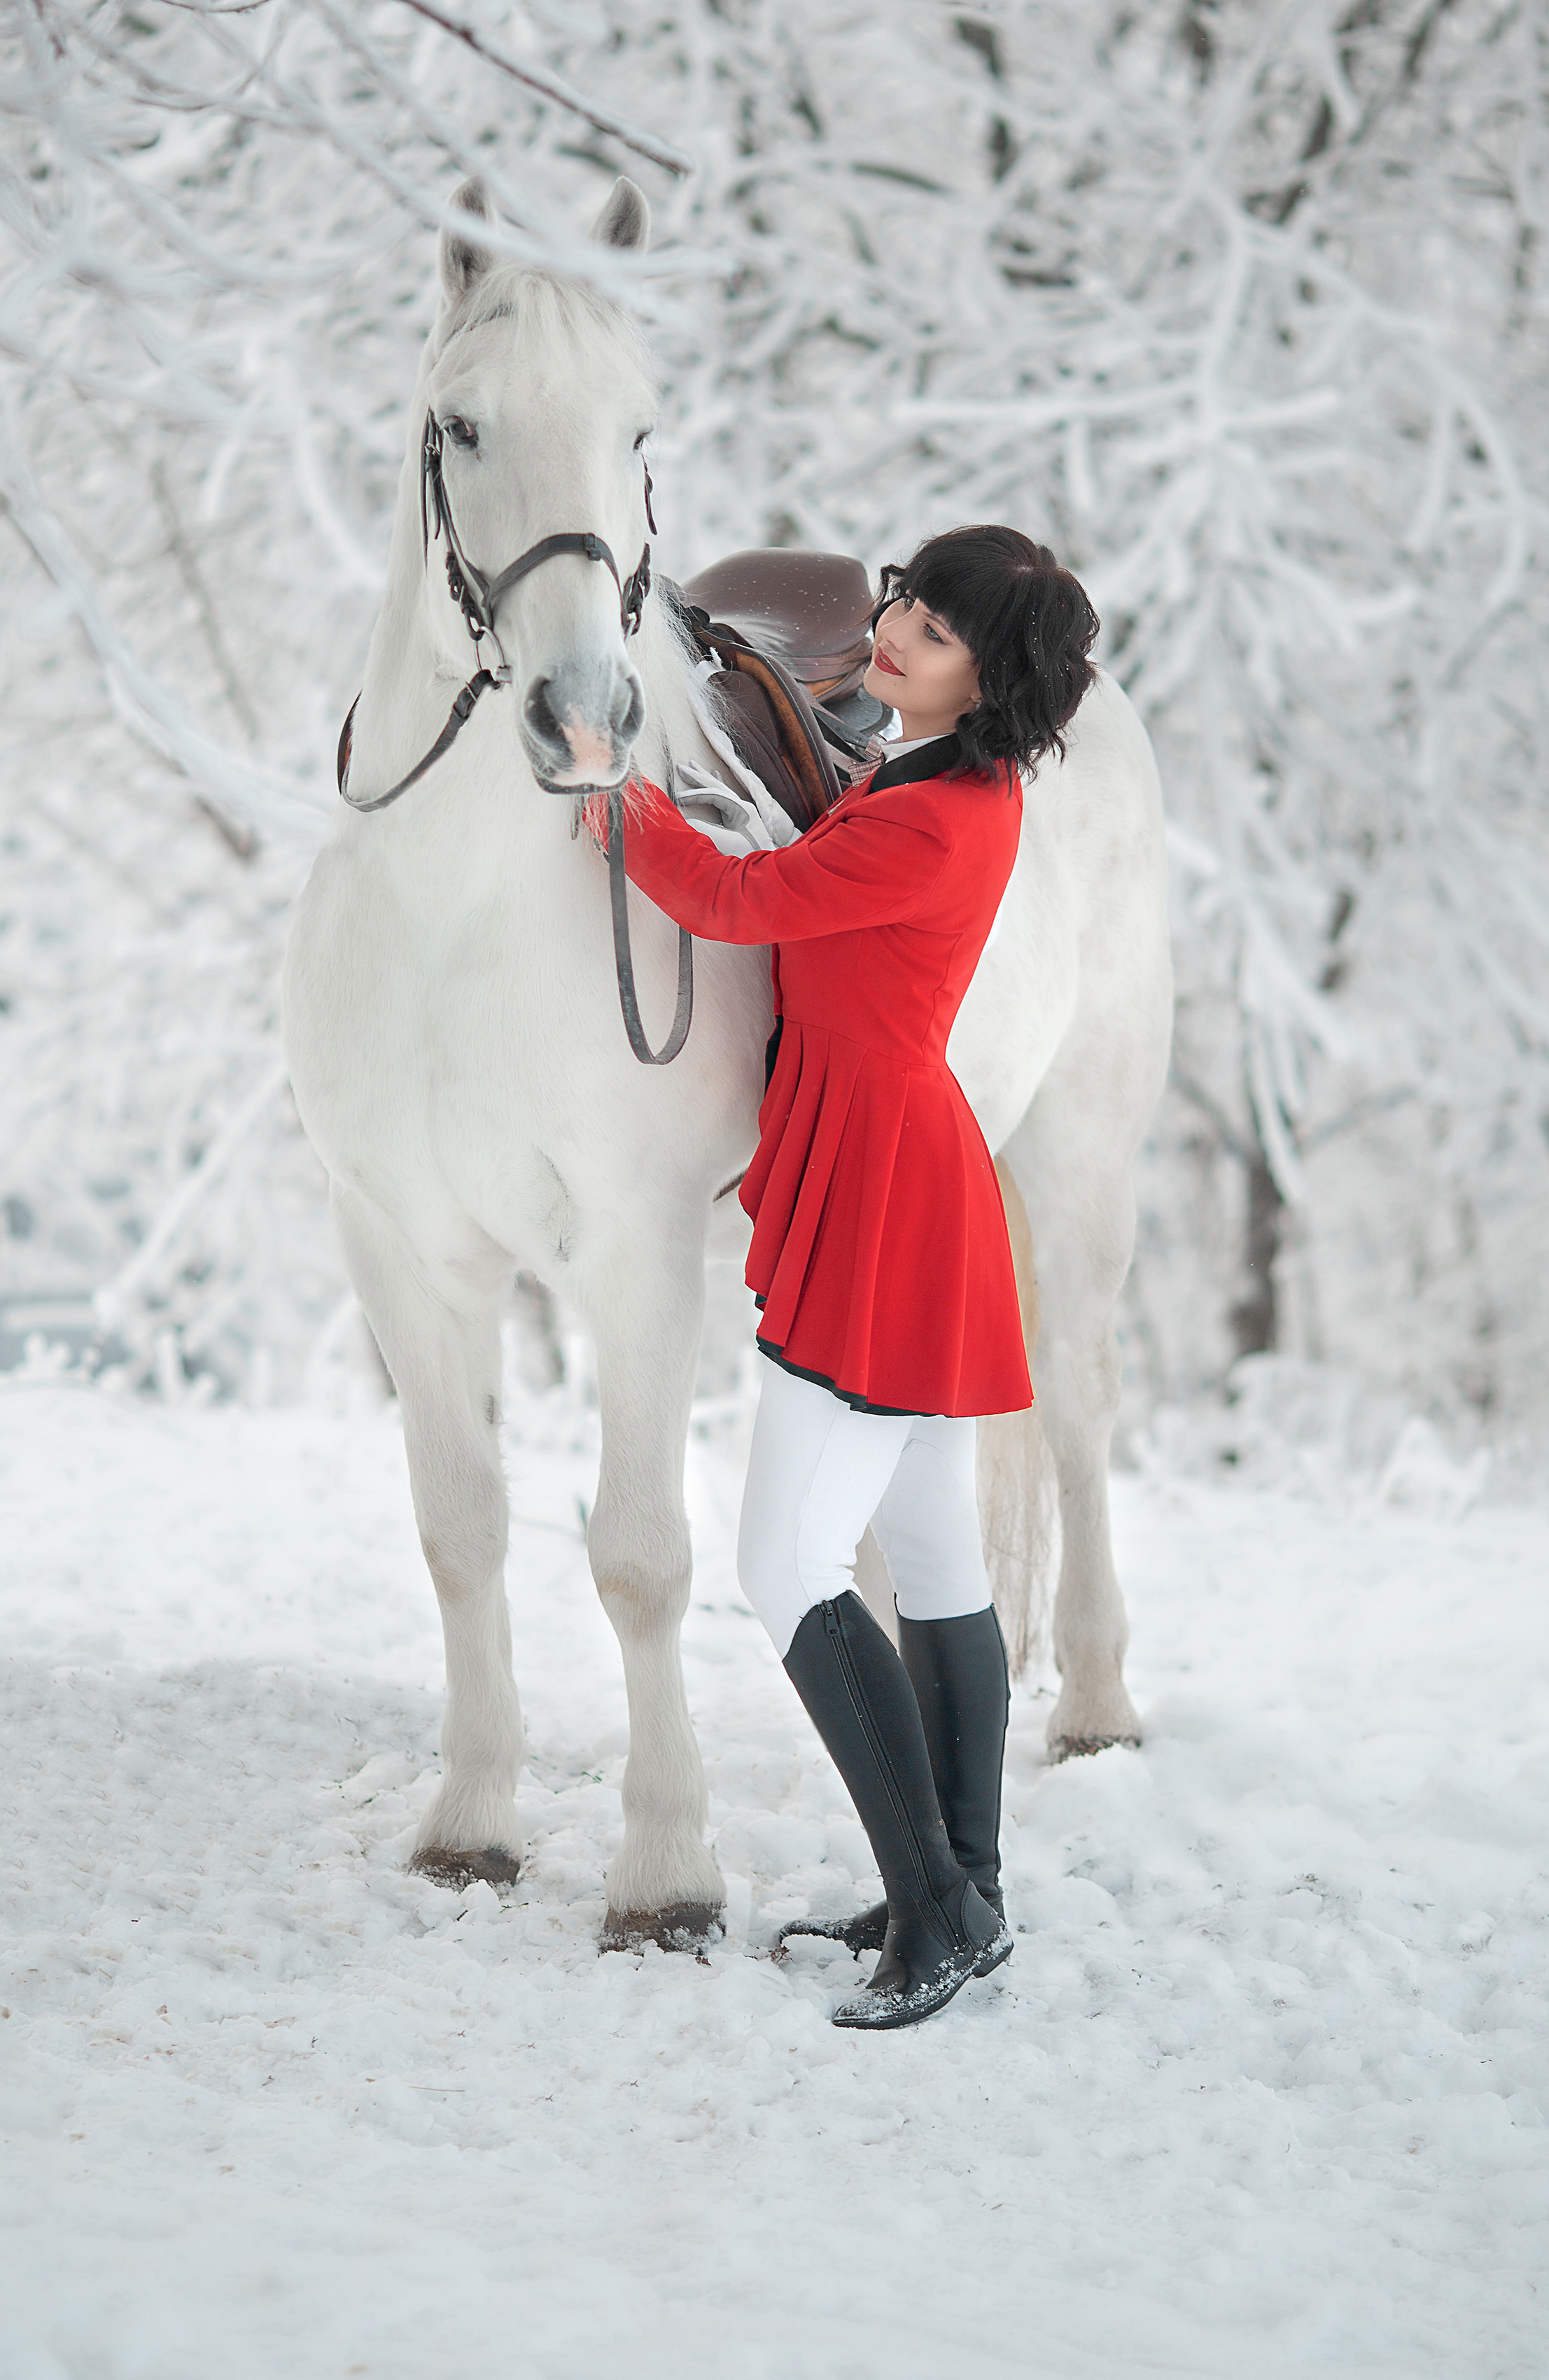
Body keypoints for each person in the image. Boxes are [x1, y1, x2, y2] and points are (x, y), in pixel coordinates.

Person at [593, 524, 1101, 2029]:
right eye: (903, 602)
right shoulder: (942, 781)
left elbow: (745, 906)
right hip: (899, 1167)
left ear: (985, 676)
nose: (891, 632)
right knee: (935, 1562)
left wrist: (622, 809)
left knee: (781, 1566)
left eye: (934, 632)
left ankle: (936, 1907)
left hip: (878, 1190)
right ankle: (965, 1890)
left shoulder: (933, 817)